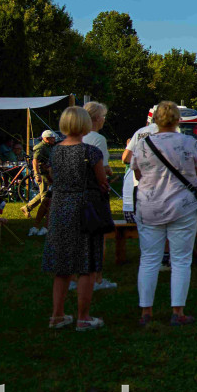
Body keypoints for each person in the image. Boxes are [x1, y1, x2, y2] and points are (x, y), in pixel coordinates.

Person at [130, 101, 197, 326]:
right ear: (177, 120)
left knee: (149, 259)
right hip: (182, 207)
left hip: (149, 206)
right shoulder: (188, 142)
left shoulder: (143, 144)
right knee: (181, 260)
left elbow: (136, 171)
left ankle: (146, 311)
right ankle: (178, 311)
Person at [41, 106, 110, 331]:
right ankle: (83, 317)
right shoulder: (91, 152)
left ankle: (57, 315)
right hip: (84, 209)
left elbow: (53, 177)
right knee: (86, 264)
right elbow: (102, 181)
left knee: (62, 266)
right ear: (85, 124)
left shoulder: (55, 151)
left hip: (60, 208)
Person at [82, 102, 118, 290]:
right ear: (96, 119)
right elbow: (102, 168)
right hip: (95, 191)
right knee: (98, 238)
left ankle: (75, 278)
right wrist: (109, 174)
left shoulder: (75, 137)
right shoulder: (98, 139)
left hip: (76, 192)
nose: (104, 119)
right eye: (103, 116)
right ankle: (97, 278)